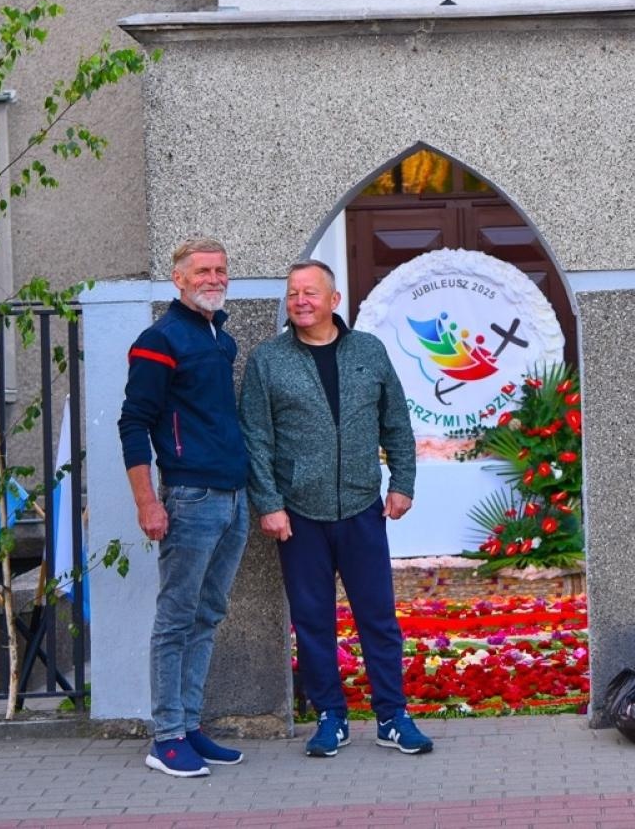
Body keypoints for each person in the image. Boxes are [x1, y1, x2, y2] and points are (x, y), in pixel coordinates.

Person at [240, 259, 432, 757]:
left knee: (378, 618)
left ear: (333, 300)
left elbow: (396, 422)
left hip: (362, 509)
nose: (299, 301)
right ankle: (331, 716)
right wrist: (269, 503)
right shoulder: (269, 360)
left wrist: (402, 483)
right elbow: (256, 439)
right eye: (292, 294)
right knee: (312, 619)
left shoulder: (368, 351)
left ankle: (392, 717)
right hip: (298, 515)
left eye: (309, 292)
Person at [118, 237, 252, 777]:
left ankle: (191, 726)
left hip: (234, 496)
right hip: (190, 498)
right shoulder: (159, 339)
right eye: (202, 270)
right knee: (175, 620)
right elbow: (133, 423)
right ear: (179, 279)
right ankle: (166, 736)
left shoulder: (222, 339)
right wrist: (147, 501)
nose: (214, 278)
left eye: (221, 270)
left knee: (208, 614)